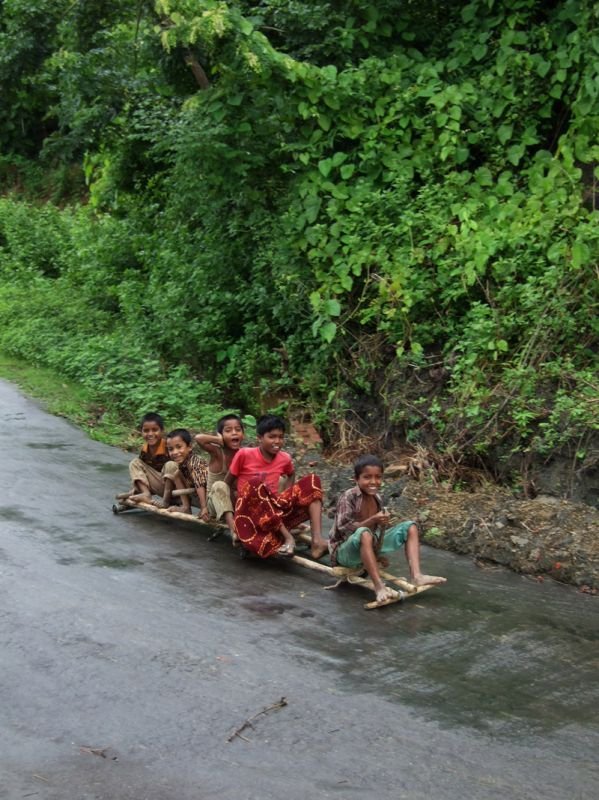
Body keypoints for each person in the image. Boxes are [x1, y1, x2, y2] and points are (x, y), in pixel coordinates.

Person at [329, 454, 447, 603]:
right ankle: (379, 586)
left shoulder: (377, 498)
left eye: (378, 477)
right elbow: (344, 529)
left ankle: (417, 576)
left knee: (410, 526)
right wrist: (373, 519)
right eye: (367, 477)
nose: (373, 482)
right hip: (345, 554)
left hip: (368, 545)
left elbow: (377, 531)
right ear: (356, 479)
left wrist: (381, 526)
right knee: (364, 533)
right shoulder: (349, 497)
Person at [225, 414, 328, 559]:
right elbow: (226, 484)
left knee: (313, 481)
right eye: (272, 437)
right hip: (251, 514)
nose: (277, 441)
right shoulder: (244, 454)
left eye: (280, 437)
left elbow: (291, 474)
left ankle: (317, 540)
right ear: (259, 438)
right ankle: (288, 538)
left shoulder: (284, 458)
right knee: (255, 484)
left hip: (274, 510)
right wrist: (236, 511)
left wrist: (284, 495)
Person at [195, 414, 244, 541]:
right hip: (214, 505)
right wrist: (218, 440)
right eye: (228, 430)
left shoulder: (244, 454)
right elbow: (199, 438)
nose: (234, 433)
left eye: (238, 430)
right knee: (220, 485)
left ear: (243, 434)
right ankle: (234, 532)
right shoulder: (217, 452)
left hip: (234, 503)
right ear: (221, 435)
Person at [128, 412, 178, 505]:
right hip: (160, 485)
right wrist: (137, 488)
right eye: (146, 431)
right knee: (135, 463)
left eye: (155, 430)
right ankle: (145, 493)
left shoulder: (169, 448)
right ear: (141, 432)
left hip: (175, 487)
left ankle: (166, 501)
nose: (150, 434)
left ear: (162, 431)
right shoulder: (144, 450)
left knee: (170, 465)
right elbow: (144, 473)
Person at [163, 428, 209, 518]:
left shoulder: (194, 462)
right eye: (170, 449)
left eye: (179, 447)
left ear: (189, 447)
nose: (175, 452)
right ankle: (186, 507)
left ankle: (206, 508)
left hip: (209, 495)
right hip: (196, 493)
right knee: (176, 474)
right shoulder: (183, 463)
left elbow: (200, 485)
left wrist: (204, 508)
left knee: (178, 474)